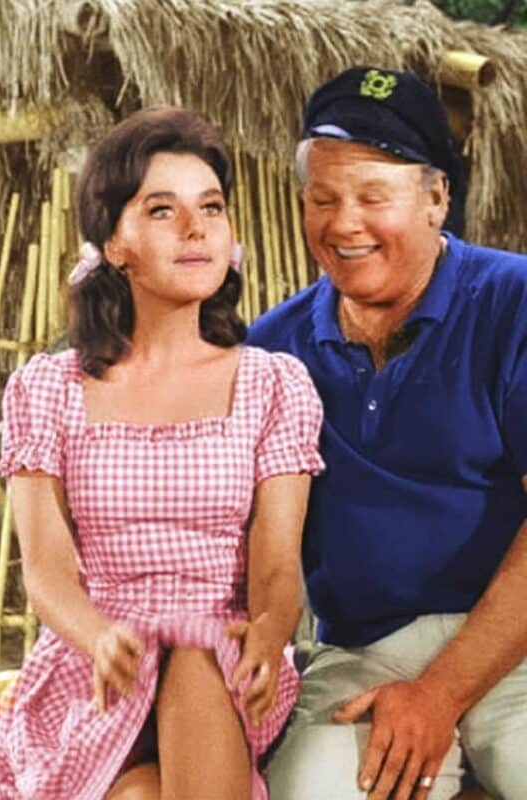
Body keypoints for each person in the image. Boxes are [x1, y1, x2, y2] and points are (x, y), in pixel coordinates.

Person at [0, 106, 324, 799]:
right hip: (97, 655)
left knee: (199, 652)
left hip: (223, 650)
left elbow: (278, 563)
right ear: (115, 243)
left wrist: (269, 631)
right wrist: (101, 637)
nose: (197, 229)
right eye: (163, 211)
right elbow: (46, 577)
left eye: (212, 207)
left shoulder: (273, 384)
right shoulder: (49, 389)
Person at [247, 66, 527, 800]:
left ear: (437, 199)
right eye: (323, 199)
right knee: (314, 788)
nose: (345, 224)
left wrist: (441, 693)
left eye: (374, 197)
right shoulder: (271, 350)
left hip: (516, 647)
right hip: (364, 653)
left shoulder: (513, 300)